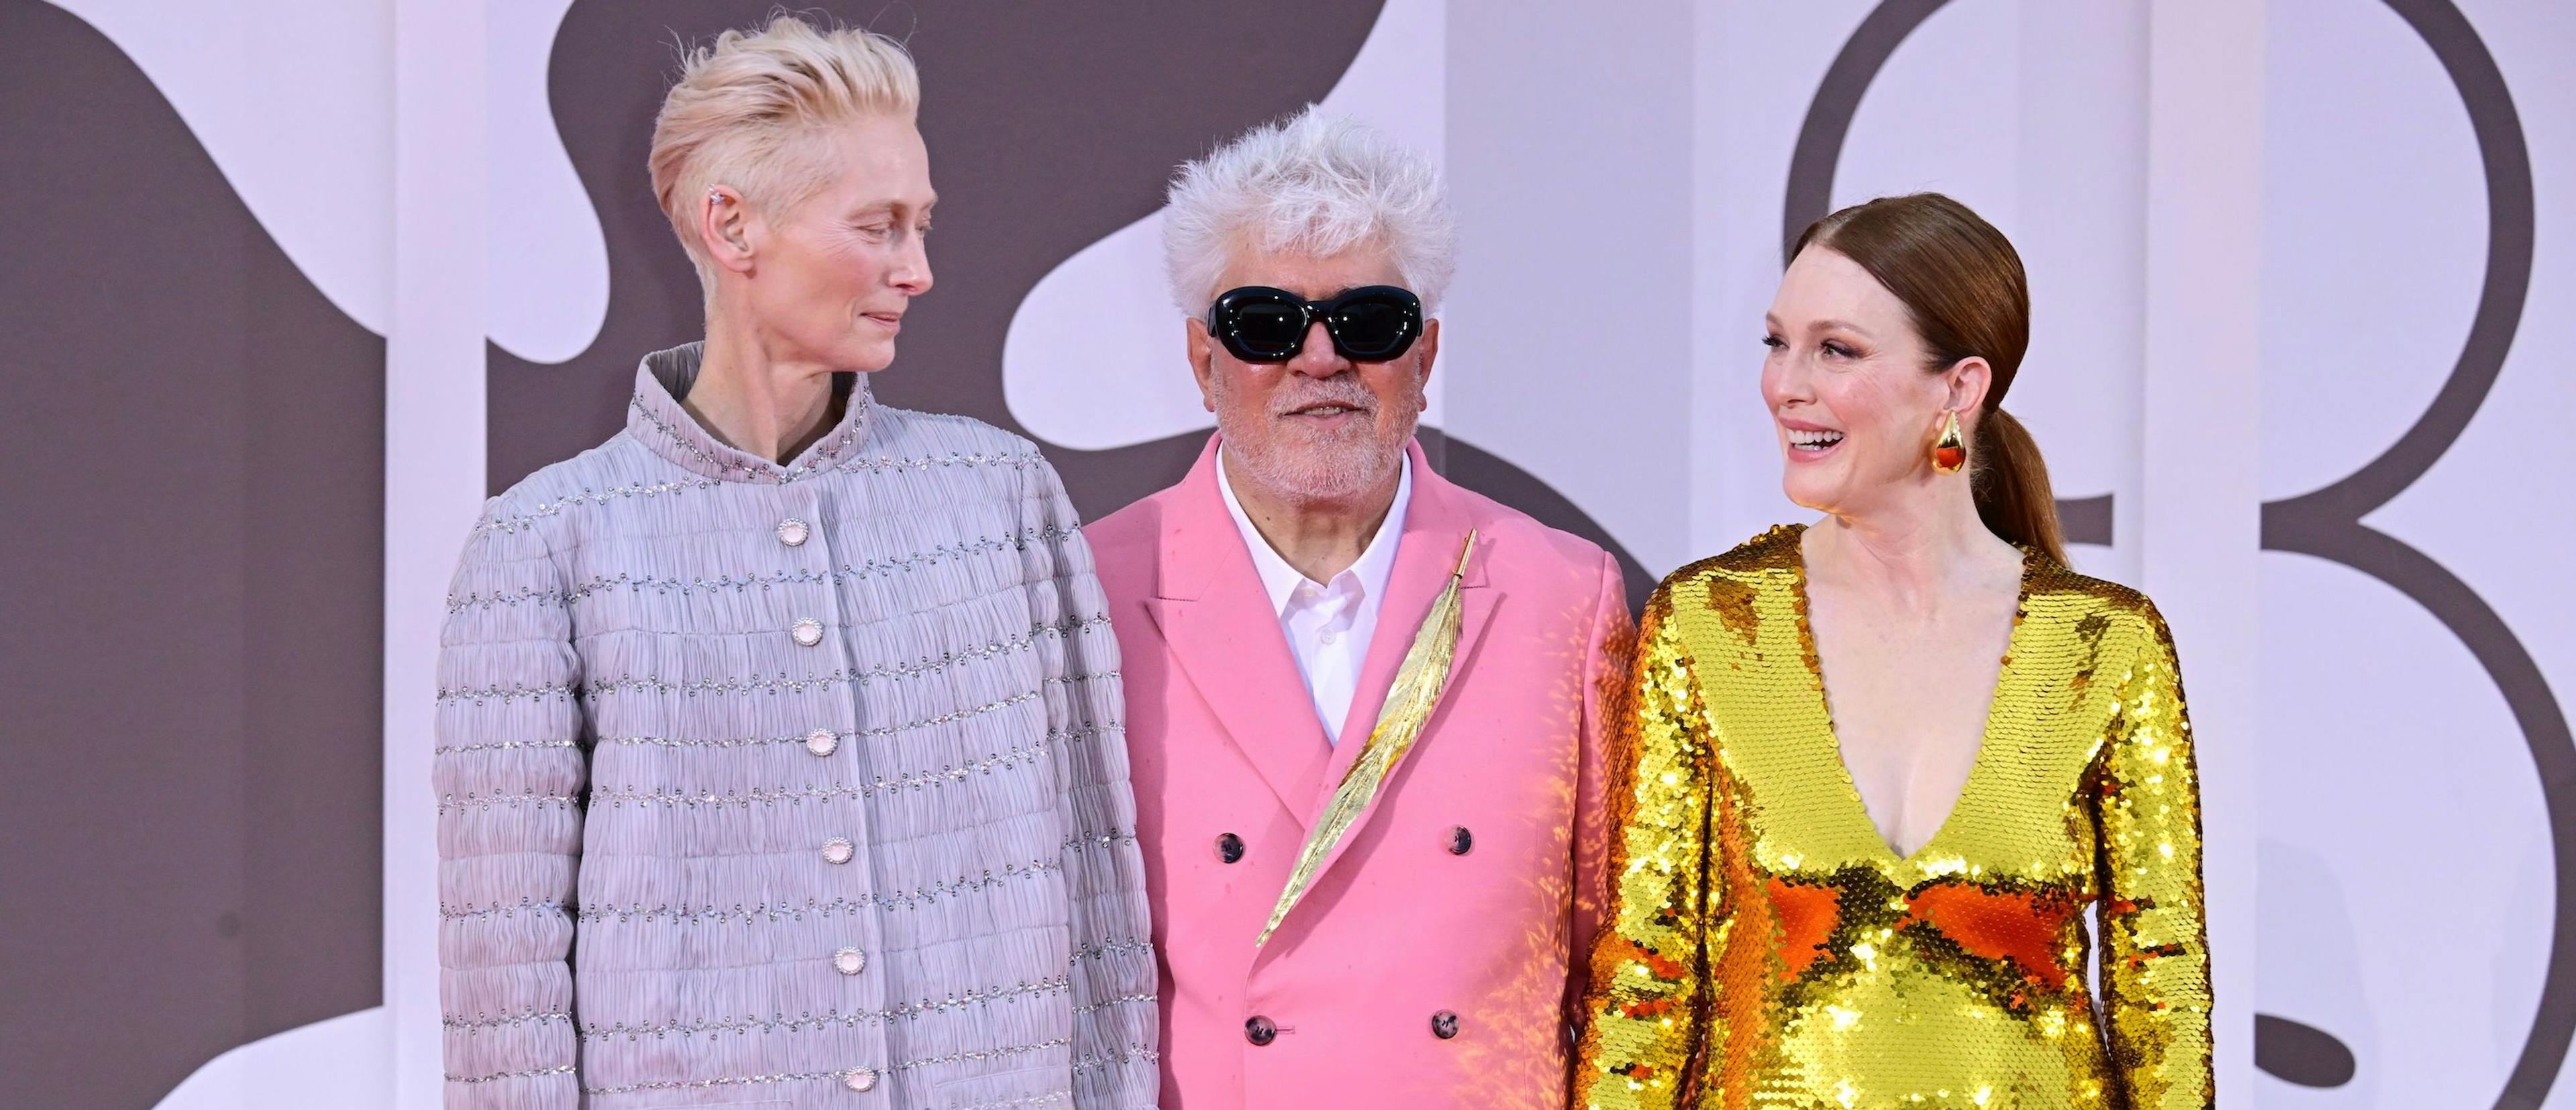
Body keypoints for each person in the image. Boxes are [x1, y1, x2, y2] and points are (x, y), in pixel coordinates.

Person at [433, 17, 1157, 1109]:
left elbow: (1098, 879)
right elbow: (506, 986)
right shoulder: (549, 546)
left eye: (921, 225)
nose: (917, 270)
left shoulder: (1003, 498)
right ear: (733, 225)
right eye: (878, 227)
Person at [1573, 193, 2212, 1109]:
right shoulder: (1710, 624)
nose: (1785, 385)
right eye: (1776, 342)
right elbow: (1646, 981)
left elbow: (2165, 998)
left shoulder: (2107, 647)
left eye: (1836, 349)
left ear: (1958, 387)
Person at [1083, 109, 1631, 1109]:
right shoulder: (1090, 596)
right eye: (1267, 323)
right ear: (1204, 361)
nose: (1323, 358)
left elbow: (1623, 968)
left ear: (1423, 358)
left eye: (1369, 322)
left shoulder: (1565, 597)